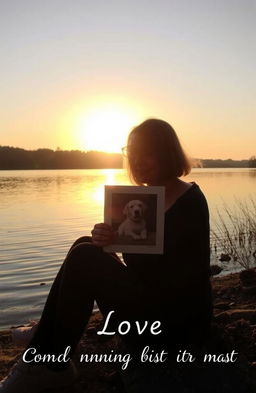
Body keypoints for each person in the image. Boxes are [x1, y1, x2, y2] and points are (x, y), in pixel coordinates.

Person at [0, 119, 213, 393]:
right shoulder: (151, 198)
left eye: (147, 153)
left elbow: (175, 277)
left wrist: (123, 249)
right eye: (132, 153)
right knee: (86, 243)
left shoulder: (188, 201)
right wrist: (111, 239)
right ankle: (49, 335)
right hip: (154, 302)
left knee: (85, 258)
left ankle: (51, 365)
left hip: (174, 321)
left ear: (166, 152)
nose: (138, 161)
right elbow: (144, 267)